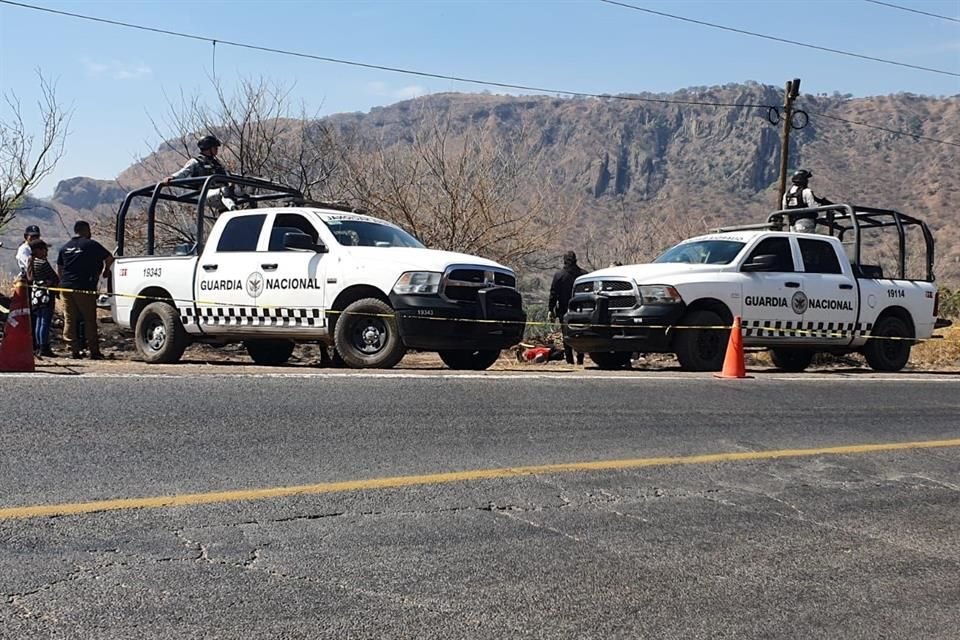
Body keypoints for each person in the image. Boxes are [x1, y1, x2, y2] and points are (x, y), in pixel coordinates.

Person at [57, 220, 114, 360]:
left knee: (69, 319)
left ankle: (72, 350)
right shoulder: (91, 245)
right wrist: (106, 271)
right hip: (84, 288)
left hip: (66, 287)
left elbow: (60, 268)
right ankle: (94, 351)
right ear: (86, 230)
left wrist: (63, 282)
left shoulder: (65, 247)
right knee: (89, 320)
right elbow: (109, 257)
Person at [164, 134, 237, 210]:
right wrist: (172, 177)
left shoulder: (217, 163)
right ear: (208, 148)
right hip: (206, 193)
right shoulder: (195, 162)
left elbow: (228, 175)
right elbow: (184, 172)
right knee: (224, 191)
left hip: (222, 192)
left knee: (245, 190)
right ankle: (234, 210)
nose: (217, 149)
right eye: (215, 147)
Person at [549, 250, 587, 365]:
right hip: (581, 310)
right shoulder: (584, 275)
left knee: (566, 335)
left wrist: (551, 309)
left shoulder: (559, 275)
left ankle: (569, 360)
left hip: (564, 310)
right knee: (581, 334)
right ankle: (580, 359)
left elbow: (553, 294)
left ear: (564, 261)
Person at [26, 239, 59, 357]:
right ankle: (44, 347)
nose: (46, 252)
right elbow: (54, 277)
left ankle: (39, 346)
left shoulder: (30, 262)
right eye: (44, 249)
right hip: (45, 295)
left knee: (39, 321)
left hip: (35, 295)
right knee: (45, 321)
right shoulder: (42, 263)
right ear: (38, 250)